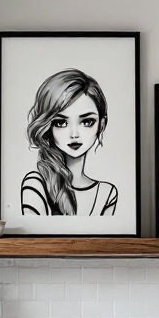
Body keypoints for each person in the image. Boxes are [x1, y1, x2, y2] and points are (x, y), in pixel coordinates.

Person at [21, 68, 117, 216]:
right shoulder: (36, 183)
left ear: (101, 125)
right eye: (61, 123)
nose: (74, 134)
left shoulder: (107, 193)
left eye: (87, 121)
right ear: (47, 127)